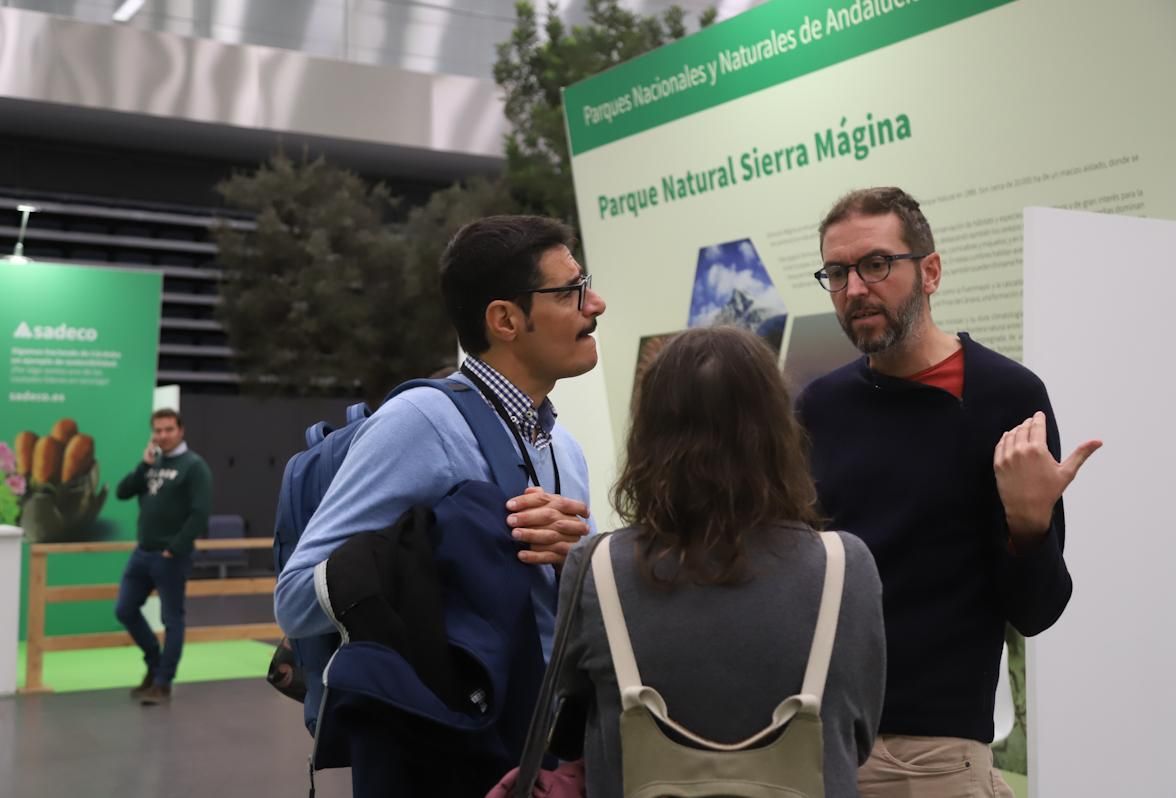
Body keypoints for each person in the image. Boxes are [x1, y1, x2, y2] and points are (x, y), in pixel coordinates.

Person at [273, 214, 606, 788]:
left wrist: (580, 557)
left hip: (547, 760)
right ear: (505, 319)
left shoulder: (564, 447)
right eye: (571, 290)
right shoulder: (420, 423)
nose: (594, 303)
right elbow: (296, 597)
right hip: (448, 760)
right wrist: (445, 547)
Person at [798, 187, 1102, 797]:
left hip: (936, 757)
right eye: (837, 272)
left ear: (930, 271)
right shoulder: (819, 407)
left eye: (876, 264)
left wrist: (1029, 524)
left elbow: (1037, 610)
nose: (855, 288)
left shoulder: (1007, 397)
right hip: (821, 742)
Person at [554, 326, 886, 798]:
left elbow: (568, 722)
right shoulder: (845, 567)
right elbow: (858, 733)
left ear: (648, 435)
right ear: (778, 430)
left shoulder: (597, 568)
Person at [114, 408, 213, 705]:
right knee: (125, 609)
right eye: (158, 430)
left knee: (172, 619)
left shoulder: (194, 466)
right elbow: (122, 492)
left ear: (180, 430)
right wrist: (143, 467)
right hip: (142, 553)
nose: (162, 435)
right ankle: (154, 663)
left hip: (170, 556)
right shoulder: (152, 463)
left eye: (168, 429)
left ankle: (162, 682)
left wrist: (176, 547)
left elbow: (200, 513)